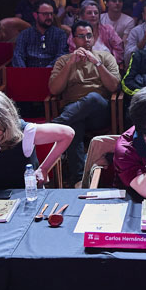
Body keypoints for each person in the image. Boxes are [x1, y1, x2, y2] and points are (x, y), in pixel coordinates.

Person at [48, 20, 121, 186]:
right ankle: (79, 180)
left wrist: (97, 63)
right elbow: (54, 90)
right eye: (81, 36)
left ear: (94, 38)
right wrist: (70, 63)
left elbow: (114, 86)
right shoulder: (63, 61)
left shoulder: (105, 57)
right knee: (73, 126)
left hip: (99, 111)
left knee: (93, 98)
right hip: (73, 112)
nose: (86, 40)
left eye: (89, 36)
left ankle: (54, 125)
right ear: (73, 39)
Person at [11, 0, 68, 67]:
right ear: (35, 15)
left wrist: (49, 68)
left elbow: (62, 55)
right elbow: (18, 55)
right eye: (45, 14)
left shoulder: (60, 34)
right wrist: (23, 71)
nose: (49, 17)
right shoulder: (25, 34)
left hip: (53, 71)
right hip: (29, 70)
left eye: (51, 14)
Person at [66, 0, 123, 65]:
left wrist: (112, 64)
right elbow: (73, 53)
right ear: (82, 16)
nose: (93, 15)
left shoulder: (108, 30)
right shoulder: (75, 33)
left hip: (107, 67)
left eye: (96, 13)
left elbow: (119, 49)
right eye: (89, 13)